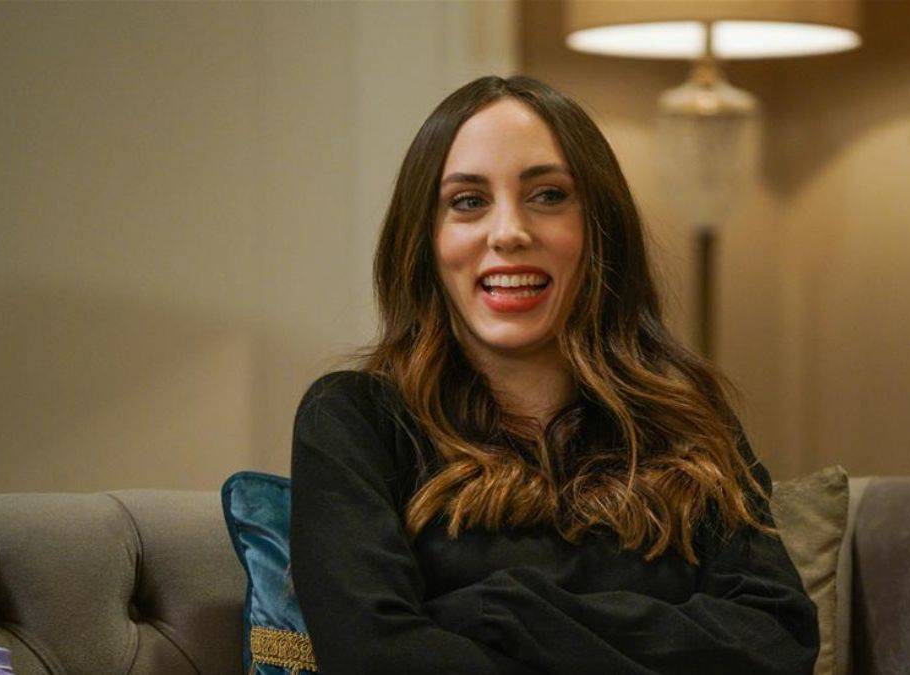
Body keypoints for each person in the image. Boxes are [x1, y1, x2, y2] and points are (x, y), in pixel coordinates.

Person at [289, 74, 819, 674]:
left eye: (547, 195)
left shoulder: (687, 418)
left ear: (599, 229)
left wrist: (506, 611)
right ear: (425, 240)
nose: (509, 233)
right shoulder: (354, 418)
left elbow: (777, 642)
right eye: (468, 202)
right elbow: (372, 656)